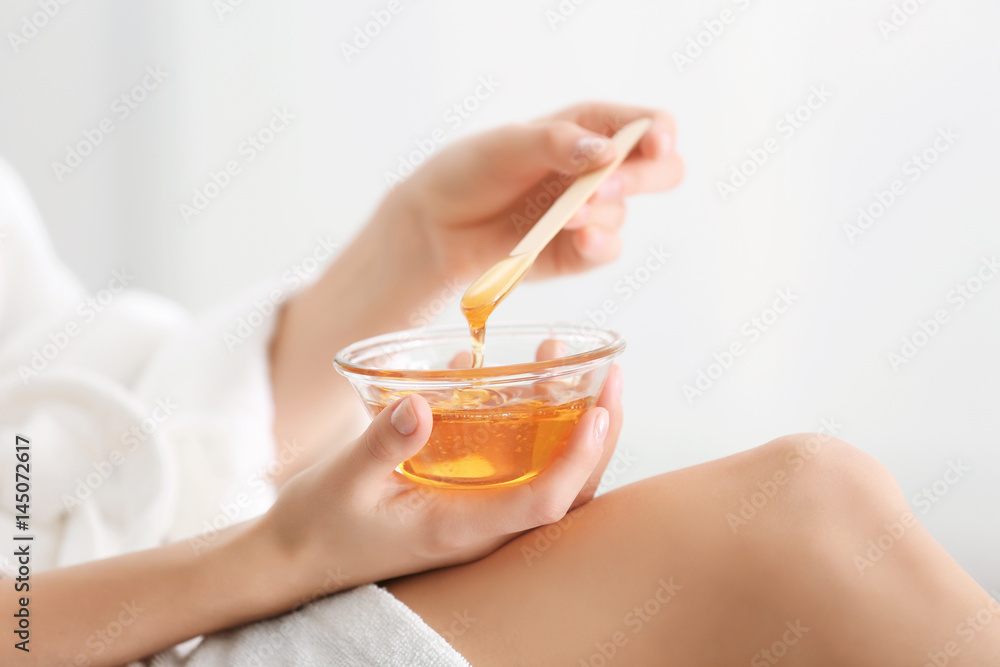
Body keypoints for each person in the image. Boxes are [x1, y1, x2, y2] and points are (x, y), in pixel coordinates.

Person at [1, 102, 997, 666]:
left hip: (131, 601)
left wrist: (417, 245)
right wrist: (280, 551)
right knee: (799, 517)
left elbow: (64, 423)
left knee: (819, 508)